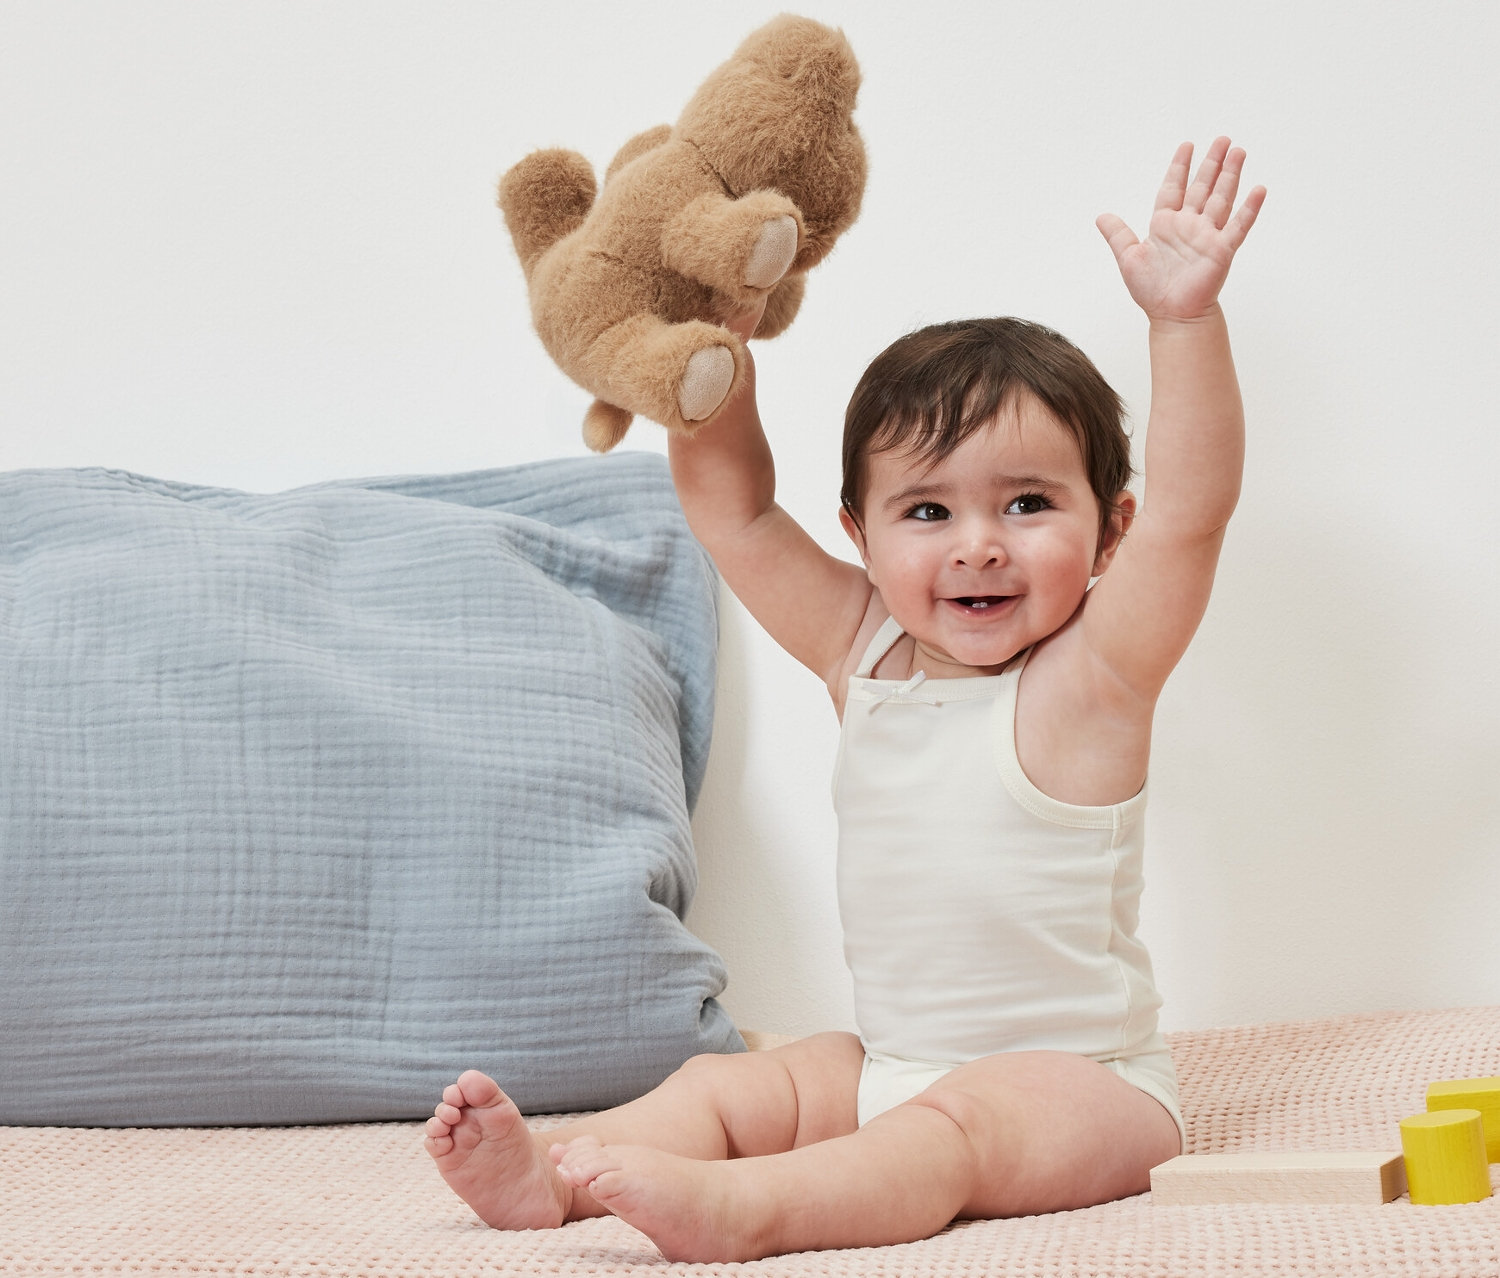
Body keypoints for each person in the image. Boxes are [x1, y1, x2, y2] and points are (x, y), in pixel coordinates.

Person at [425, 136, 1265, 1263]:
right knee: (734, 1084)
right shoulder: (862, 651)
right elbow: (736, 514)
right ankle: (558, 1176)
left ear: (1109, 531)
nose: (977, 546)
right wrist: (710, 357)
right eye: (928, 512)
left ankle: (751, 1210)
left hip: (1088, 1087)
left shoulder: (1095, 679)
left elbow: (1192, 515)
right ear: (858, 536)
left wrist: (1184, 322)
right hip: (894, 1064)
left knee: (951, 1131)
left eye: (1026, 504)